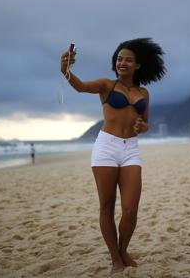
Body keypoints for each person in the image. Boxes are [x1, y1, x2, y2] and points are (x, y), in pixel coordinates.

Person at [60, 38, 166, 273]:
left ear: (138, 65)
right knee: (107, 206)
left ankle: (123, 248)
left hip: (131, 149)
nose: (123, 62)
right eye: (119, 59)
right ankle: (116, 259)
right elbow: (80, 86)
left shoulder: (143, 93)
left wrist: (143, 127)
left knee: (130, 208)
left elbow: (145, 123)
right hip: (106, 147)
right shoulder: (106, 85)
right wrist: (65, 70)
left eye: (128, 59)